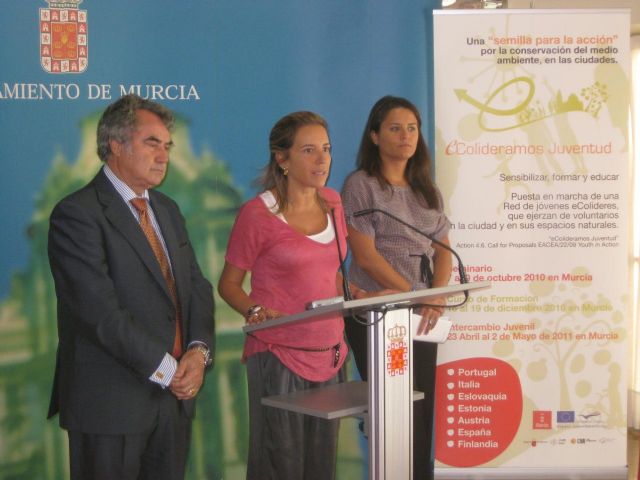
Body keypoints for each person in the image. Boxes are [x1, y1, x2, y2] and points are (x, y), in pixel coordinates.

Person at [47, 94, 215, 480]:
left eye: (167, 146)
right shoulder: (77, 214)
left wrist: (198, 351)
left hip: (173, 404)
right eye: (152, 143)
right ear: (116, 145)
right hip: (110, 405)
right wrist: (169, 370)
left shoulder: (168, 210)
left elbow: (197, 287)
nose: (164, 156)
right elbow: (99, 313)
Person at [218, 111, 373, 480]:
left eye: (326, 149)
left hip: (330, 353)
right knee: (281, 465)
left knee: (321, 465)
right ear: (282, 158)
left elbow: (329, 272)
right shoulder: (257, 214)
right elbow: (228, 284)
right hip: (278, 354)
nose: (322, 160)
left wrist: (355, 292)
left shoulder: (333, 203)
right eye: (308, 150)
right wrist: (255, 310)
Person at [341, 95, 453, 480]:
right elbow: (366, 256)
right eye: (394, 128)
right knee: (392, 411)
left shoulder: (427, 189)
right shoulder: (361, 185)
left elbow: (444, 251)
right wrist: (415, 294)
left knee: (420, 406)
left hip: (422, 314)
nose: (406, 136)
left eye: (412, 128)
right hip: (378, 314)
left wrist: (435, 296)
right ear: (374, 136)